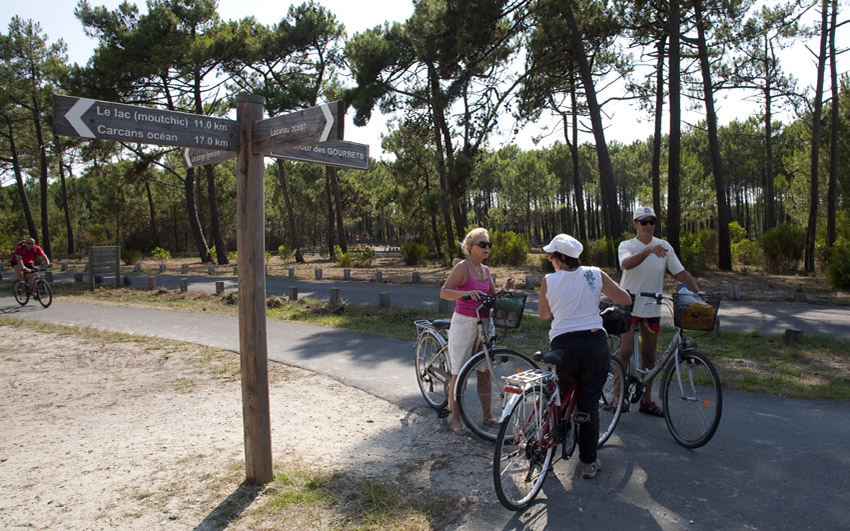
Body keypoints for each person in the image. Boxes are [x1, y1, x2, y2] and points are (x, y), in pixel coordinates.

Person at [538, 233, 631, 479]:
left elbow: (544, 315)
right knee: (589, 403)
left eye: (551, 256)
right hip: (594, 344)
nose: (550, 260)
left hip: (563, 345)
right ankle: (589, 463)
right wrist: (596, 296)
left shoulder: (549, 280)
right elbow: (625, 298)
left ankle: (550, 446)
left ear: (558, 258)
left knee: (559, 397)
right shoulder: (595, 273)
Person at [617, 206, 700, 417]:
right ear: (635, 224)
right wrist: (647, 251)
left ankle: (646, 401)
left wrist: (698, 294)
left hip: (652, 307)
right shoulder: (628, 245)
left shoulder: (664, 246)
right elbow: (625, 264)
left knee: (650, 355)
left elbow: (680, 272)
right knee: (626, 350)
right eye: (643, 222)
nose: (648, 226)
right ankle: (617, 397)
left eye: (652, 222)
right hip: (629, 304)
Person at [440, 228, 515, 436]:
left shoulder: (485, 270)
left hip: (484, 321)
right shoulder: (463, 268)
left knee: (484, 369)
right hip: (464, 322)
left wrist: (505, 289)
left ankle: (487, 415)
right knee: (459, 371)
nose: (487, 248)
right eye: (482, 244)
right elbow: (444, 292)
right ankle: (454, 419)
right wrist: (464, 293)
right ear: (470, 247)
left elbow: (492, 296)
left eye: (488, 244)